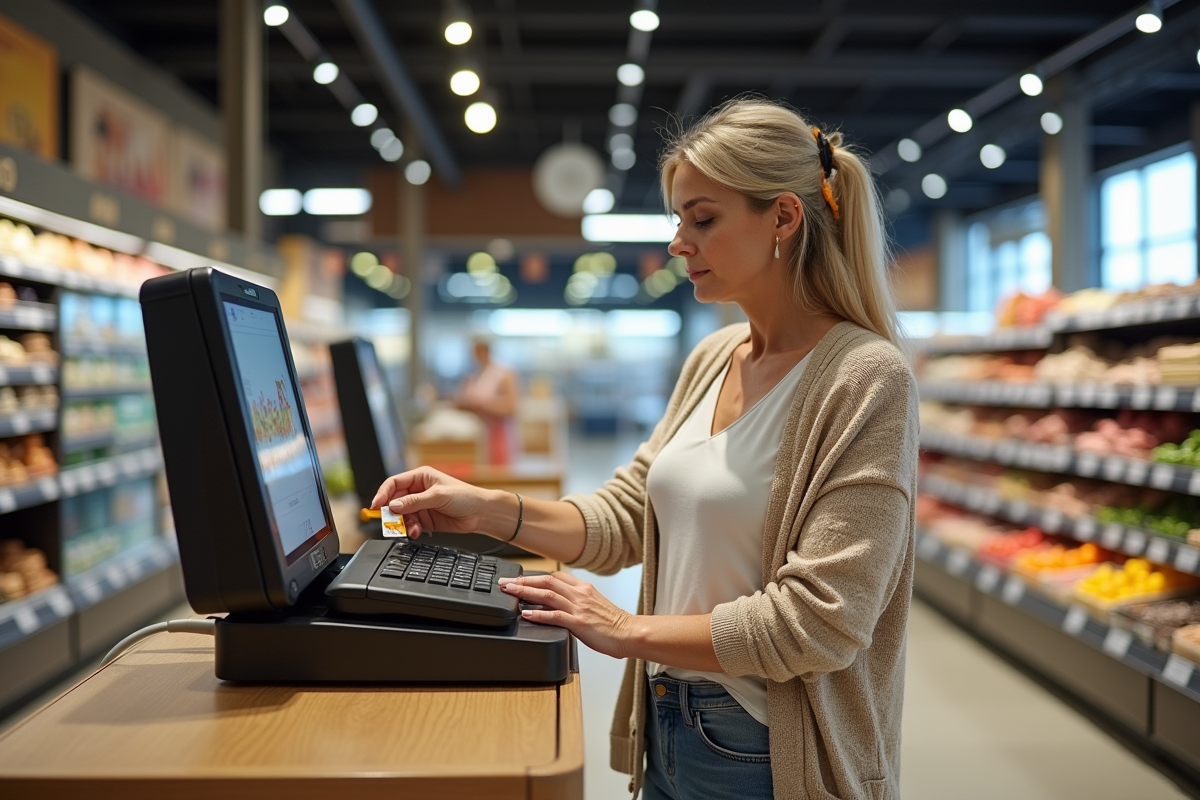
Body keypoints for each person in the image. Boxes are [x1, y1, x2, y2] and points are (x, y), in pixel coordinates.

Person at [373, 98, 919, 800]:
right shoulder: (715, 355)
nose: (677, 243)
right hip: (668, 724)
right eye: (678, 220)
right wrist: (486, 510)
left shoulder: (865, 378)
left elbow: (823, 621)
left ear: (783, 218)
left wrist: (627, 629)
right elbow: (626, 518)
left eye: (704, 219)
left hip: (766, 750)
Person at [455, 337, 519, 465]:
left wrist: (481, 405)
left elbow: (511, 408)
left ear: (483, 350)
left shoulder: (503, 373)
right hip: (477, 434)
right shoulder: (474, 375)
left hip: (499, 435)